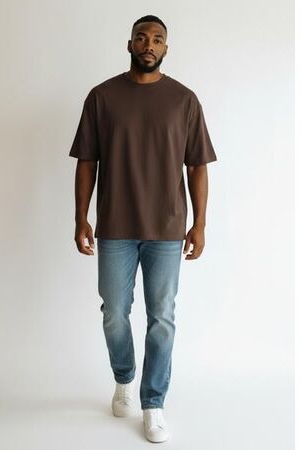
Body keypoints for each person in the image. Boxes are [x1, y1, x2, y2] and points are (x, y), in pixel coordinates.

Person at [68, 14, 218, 443]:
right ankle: (124, 378)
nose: (148, 44)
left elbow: (197, 166)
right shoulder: (102, 97)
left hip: (167, 228)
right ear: (130, 44)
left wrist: (199, 223)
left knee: (162, 318)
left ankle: (153, 404)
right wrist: (81, 217)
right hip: (115, 225)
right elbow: (87, 161)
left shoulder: (184, 100)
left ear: (166, 48)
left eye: (157, 39)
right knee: (114, 313)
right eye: (141, 37)